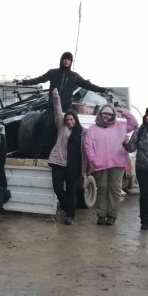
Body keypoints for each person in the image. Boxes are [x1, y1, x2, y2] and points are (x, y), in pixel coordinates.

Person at [18, 51, 109, 157]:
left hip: (66, 108)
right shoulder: (52, 73)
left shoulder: (74, 76)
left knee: (69, 129)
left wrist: (102, 89)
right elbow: (39, 79)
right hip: (52, 107)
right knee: (47, 128)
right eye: (65, 59)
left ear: (71, 62)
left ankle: (67, 152)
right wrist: (24, 82)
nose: (66, 61)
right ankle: (43, 152)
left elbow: (87, 85)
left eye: (69, 59)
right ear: (61, 60)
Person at [82, 102, 138, 226]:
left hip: (117, 164)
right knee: (102, 189)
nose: (106, 116)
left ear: (113, 115)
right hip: (100, 165)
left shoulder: (120, 126)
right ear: (100, 114)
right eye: (104, 114)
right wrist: (93, 159)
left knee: (115, 190)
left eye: (109, 114)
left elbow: (134, 124)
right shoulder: (92, 129)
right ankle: (101, 215)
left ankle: (112, 215)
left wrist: (123, 111)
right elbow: (88, 145)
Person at [47, 88, 84, 225]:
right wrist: (56, 96)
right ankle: (67, 206)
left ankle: (70, 215)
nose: (69, 121)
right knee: (57, 187)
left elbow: (86, 150)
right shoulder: (61, 127)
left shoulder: (82, 132)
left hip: (73, 166)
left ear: (76, 119)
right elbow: (57, 110)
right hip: (58, 162)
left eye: (71, 119)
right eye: (67, 119)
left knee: (71, 190)